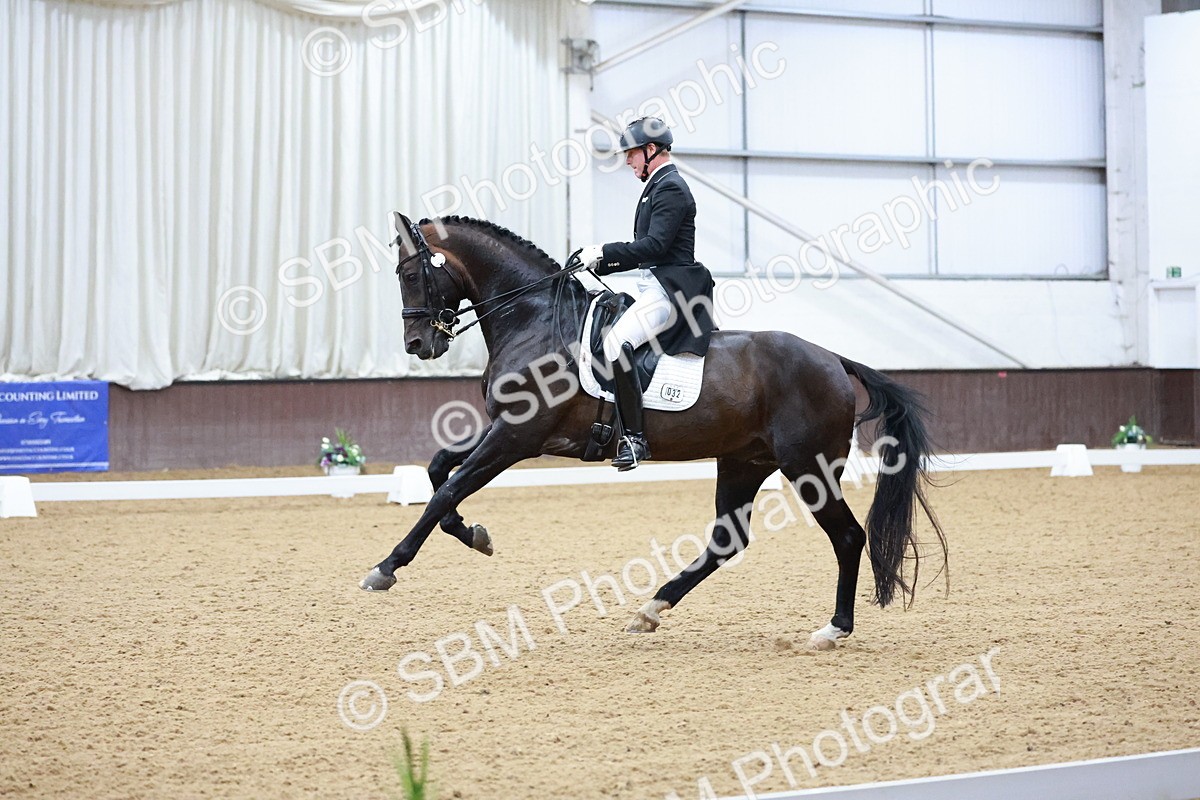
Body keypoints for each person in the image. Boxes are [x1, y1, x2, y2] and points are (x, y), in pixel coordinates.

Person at [574, 116, 716, 471]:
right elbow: (647, 251)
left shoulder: (670, 187)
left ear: (650, 150)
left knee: (615, 343)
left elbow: (653, 246)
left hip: (671, 292)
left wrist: (603, 251)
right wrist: (597, 265)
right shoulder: (657, 185)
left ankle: (635, 439)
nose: (627, 161)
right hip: (655, 285)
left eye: (632, 154)